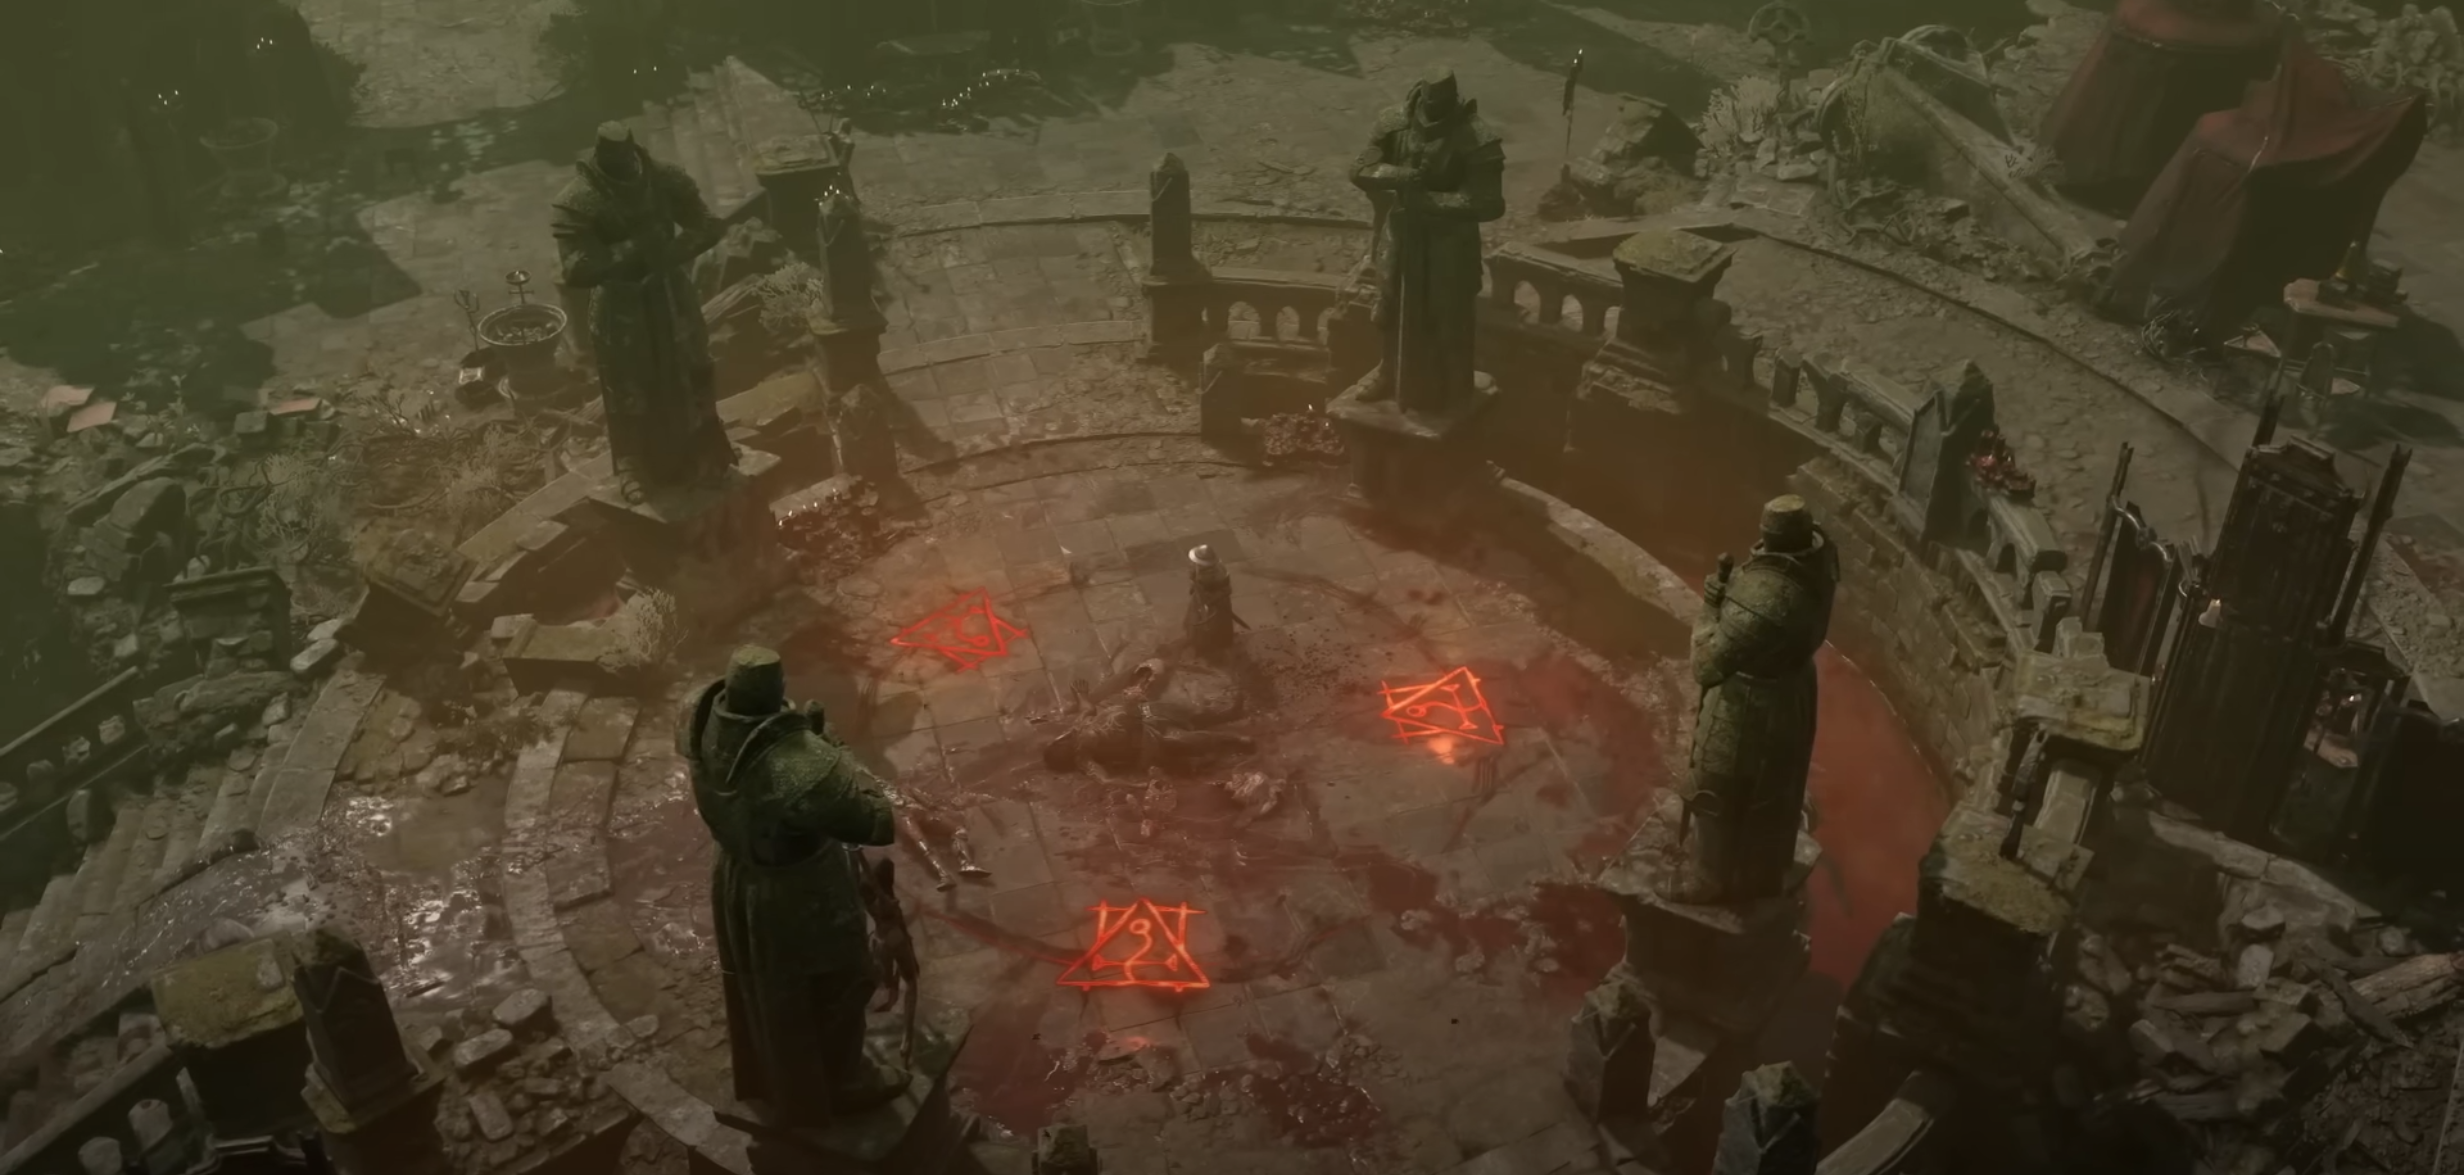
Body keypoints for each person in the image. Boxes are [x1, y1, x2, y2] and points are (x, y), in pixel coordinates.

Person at [681, 646, 910, 1125]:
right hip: (803, 892)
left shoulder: (696, 719)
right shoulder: (800, 765)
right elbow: (875, 821)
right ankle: (841, 1084)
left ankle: (772, 1078)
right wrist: (834, 749)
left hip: (739, 878)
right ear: (779, 690)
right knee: (842, 984)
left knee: (763, 985)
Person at [553, 123, 736, 503]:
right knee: (626, 386)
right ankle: (630, 465)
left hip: (671, 294)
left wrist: (673, 251)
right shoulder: (580, 199)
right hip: (621, 305)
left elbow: (706, 224)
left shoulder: (663, 179)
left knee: (695, 368)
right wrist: (632, 250)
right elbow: (575, 267)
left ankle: (708, 447)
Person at [1672, 496, 1840, 904]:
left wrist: (1711, 607)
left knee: (1716, 787)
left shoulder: (1763, 597)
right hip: (1790, 690)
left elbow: (1706, 664)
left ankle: (1710, 880)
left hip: (1747, 703)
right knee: (1772, 787)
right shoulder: (1819, 566)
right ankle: (1760, 871)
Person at [1349, 68, 1506, 415]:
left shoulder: (1476, 137)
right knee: (1389, 304)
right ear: (1420, 94)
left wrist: (1430, 201)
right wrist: (1400, 175)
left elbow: (1489, 202)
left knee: (1449, 313)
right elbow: (1360, 169)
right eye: (1430, 100)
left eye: (1442, 102)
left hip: (1450, 240)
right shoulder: (1395, 123)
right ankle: (1388, 370)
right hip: (1403, 230)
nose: (1434, 108)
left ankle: (1457, 383)